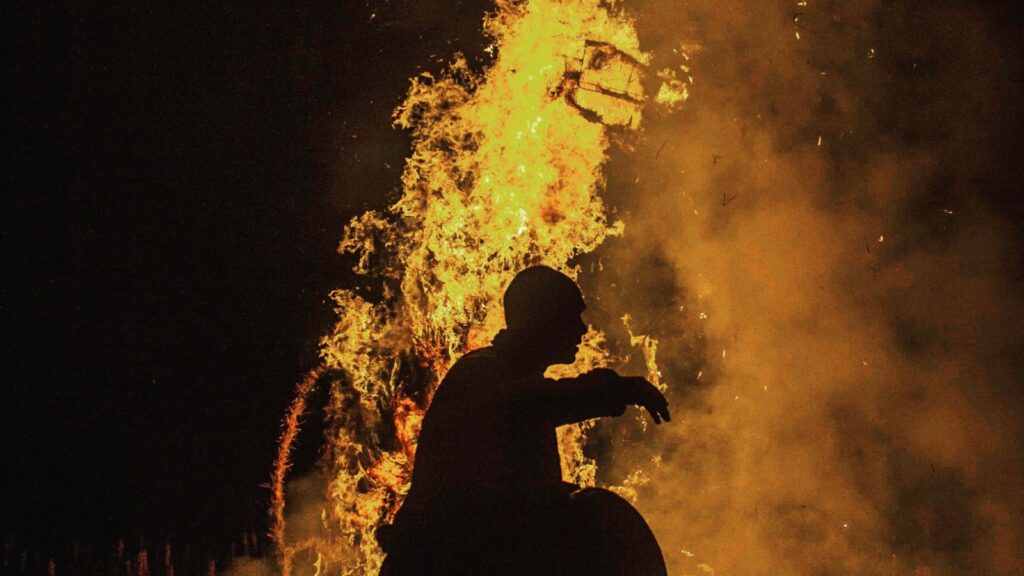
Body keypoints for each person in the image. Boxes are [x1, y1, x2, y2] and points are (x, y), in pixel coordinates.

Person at [377, 266, 670, 575]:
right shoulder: (481, 374)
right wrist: (619, 389)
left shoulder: (501, 376)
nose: (582, 329)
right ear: (541, 318)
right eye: (572, 316)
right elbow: (538, 402)